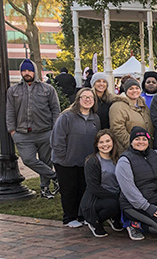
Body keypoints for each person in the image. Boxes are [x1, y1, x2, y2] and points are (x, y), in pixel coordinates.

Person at [6, 59, 60, 198]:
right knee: (28, 159)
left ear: (35, 71)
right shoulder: (13, 90)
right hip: (23, 133)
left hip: (45, 131)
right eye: (24, 70)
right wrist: (12, 131)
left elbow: (55, 110)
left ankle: (45, 189)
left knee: (46, 160)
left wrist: (55, 130)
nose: (27, 73)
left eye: (29, 70)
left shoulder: (47, 89)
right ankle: (54, 176)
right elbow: (10, 111)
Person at [51, 88, 100, 227]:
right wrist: (63, 158)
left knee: (82, 189)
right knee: (69, 190)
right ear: (78, 99)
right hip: (66, 162)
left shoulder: (95, 118)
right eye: (84, 97)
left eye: (90, 97)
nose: (87, 100)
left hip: (84, 161)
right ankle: (69, 217)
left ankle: (81, 215)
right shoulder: (66, 117)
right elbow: (57, 140)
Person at [80, 130, 123, 237]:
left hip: (114, 195)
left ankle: (113, 218)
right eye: (101, 142)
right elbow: (94, 187)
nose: (105, 145)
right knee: (114, 205)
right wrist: (116, 197)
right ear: (96, 145)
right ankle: (95, 222)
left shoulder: (118, 159)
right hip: (96, 199)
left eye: (108, 141)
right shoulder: (92, 161)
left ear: (113, 142)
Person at [109, 77, 154, 155]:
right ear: (126, 91)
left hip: (144, 149)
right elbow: (118, 129)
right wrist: (133, 145)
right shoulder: (118, 106)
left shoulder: (142, 105)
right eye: (131, 88)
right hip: (128, 150)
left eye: (137, 88)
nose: (134, 91)